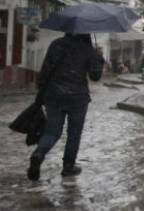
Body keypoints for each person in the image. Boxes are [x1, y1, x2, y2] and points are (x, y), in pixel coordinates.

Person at [27, 33, 105, 181]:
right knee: (74, 133)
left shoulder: (56, 44)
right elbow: (95, 76)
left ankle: (38, 154)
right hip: (77, 98)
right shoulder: (87, 49)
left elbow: (45, 70)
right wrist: (99, 58)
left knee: (52, 131)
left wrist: (42, 92)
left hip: (54, 95)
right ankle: (68, 167)